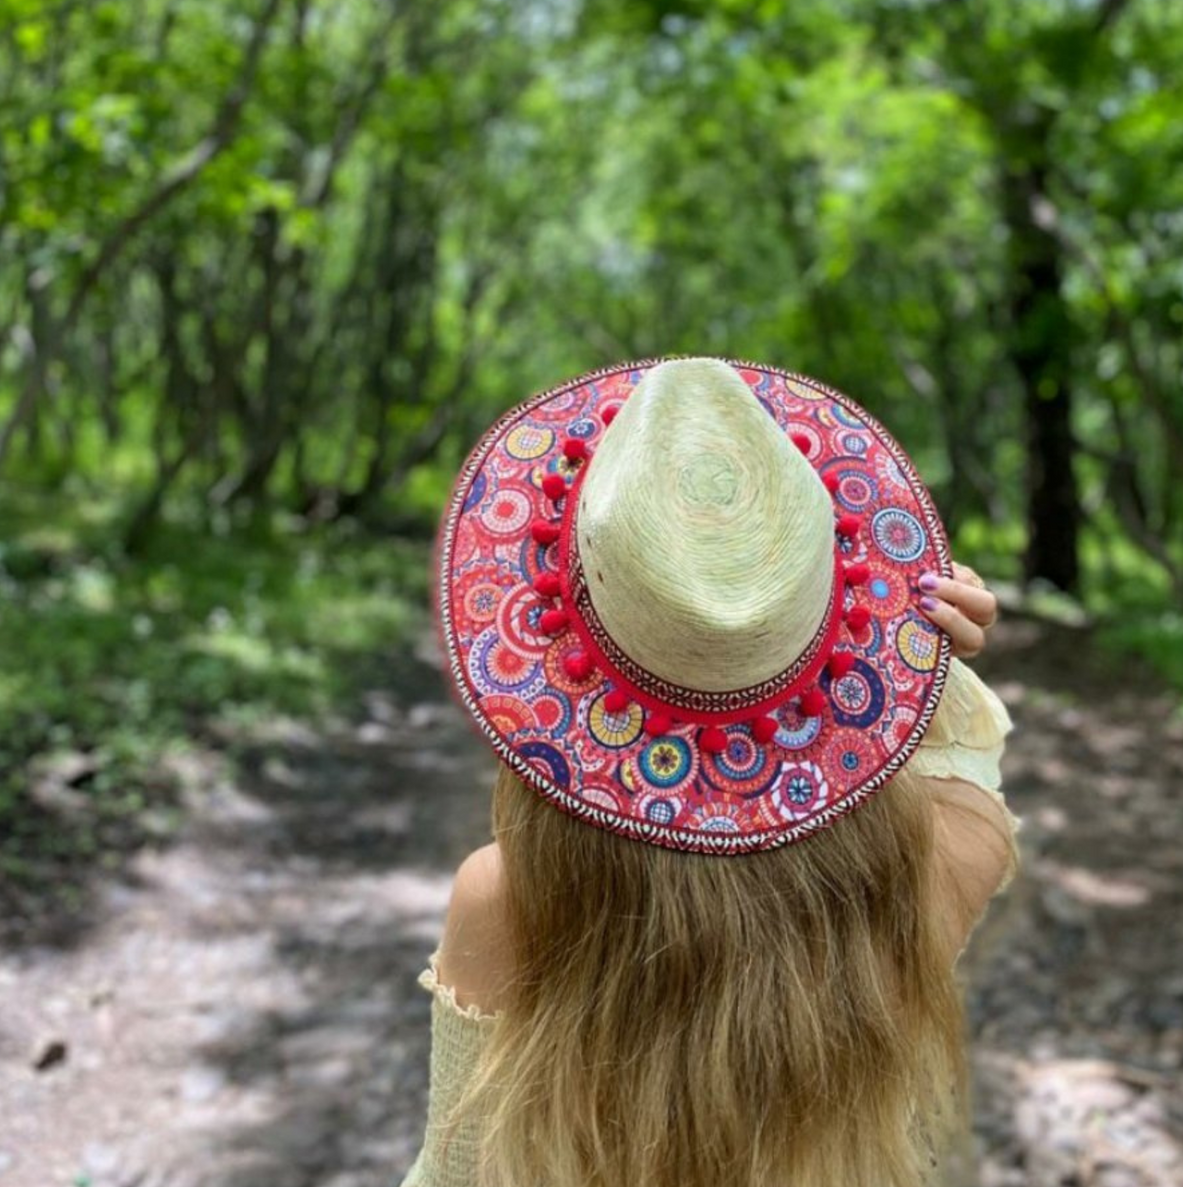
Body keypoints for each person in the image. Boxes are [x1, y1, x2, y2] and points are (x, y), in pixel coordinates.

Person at [402, 357, 1022, 1187]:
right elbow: (960, 759)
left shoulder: (506, 902)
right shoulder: (933, 869)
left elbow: (452, 1173)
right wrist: (925, 653)